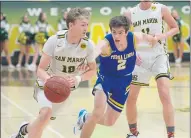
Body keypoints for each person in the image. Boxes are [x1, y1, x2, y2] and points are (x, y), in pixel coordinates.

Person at [11, 7, 97, 138]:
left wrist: (78, 78)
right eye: (82, 25)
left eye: (87, 25)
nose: (86, 28)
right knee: (45, 114)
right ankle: (23, 131)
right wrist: (49, 80)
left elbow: (93, 70)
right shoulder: (55, 40)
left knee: (43, 121)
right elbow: (40, 69)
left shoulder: (88, 45)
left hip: (64, 90)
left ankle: (23, 129)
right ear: (71, 25)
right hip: (46, 84)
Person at [73, 15, 160, 138]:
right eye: (114, 32)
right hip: (105, 81)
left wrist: (154, 39)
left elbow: (148, 38)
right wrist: (85, 61)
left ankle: (85, 117)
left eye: (120, 33)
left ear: (126, 32)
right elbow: (95, 51)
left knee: (109, 122)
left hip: (124, 82)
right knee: (98, 112)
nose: (116, 36)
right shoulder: (106, 43)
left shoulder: (134, 38)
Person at [124, 1, 179, 138]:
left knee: (164, 93)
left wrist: (162, 36)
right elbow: (122, 36)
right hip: (139, 58)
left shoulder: (161, 8)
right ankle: (133, 133)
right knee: (131, 98)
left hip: (158, 56)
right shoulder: (130, 13)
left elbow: (175, 27)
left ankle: (171, 135)